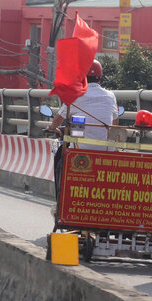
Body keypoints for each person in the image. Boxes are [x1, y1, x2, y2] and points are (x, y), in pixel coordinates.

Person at [44, 59, 119, 215]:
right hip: (107, 151)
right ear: (100, 77)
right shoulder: (110, 96)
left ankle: (61, 204)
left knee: (60, 159)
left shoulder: (75, 95)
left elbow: (59, 118)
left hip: (81, 151)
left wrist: (52, 128)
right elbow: (115, 125)